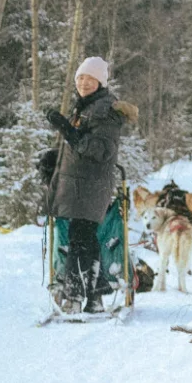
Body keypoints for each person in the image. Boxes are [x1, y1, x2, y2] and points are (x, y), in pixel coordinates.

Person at [44, 55, 134, 310]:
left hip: (91, 186)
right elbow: (79, 147)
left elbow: (101, 150)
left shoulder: (106, 110)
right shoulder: (86, 106)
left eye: (90, 79)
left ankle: (74, 297)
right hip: (80, 184)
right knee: (85, 238)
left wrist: (67, 130)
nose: (84, 83)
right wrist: (55, 160)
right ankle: (94, 297)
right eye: (80, 78)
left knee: (79, 238)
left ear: (100, 82)